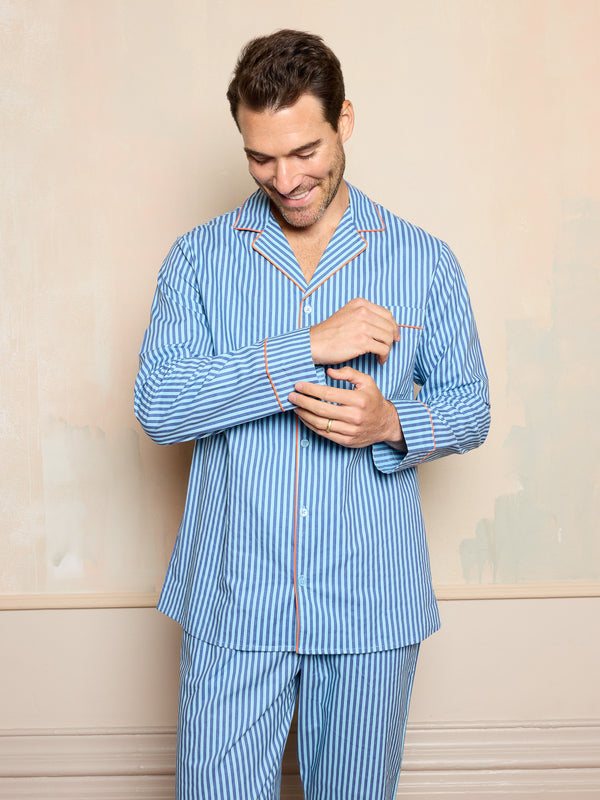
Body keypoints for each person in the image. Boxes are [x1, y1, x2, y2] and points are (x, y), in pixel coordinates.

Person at [134, 29, 490, 800]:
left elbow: (471, 407)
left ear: (345, 122)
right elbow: (160, 406)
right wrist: (303, 349)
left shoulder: (425, 261)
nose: (286, 178)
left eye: (304, 152)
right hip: (235, 604)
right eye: (261, 157)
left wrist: (392, 423)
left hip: (371, 609)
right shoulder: (198, 260)